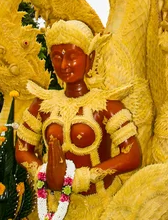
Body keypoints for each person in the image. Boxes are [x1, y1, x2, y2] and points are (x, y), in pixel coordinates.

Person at [15, 20, 141, 220]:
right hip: (51, 205)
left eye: (72, 56)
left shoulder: (107, 105)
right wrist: (42, 171)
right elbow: (22, 149)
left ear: (90, 58)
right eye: (57, 57)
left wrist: (84, 177)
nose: (64, 65)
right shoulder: (42, 104)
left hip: (101, 205)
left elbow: (132, 155)